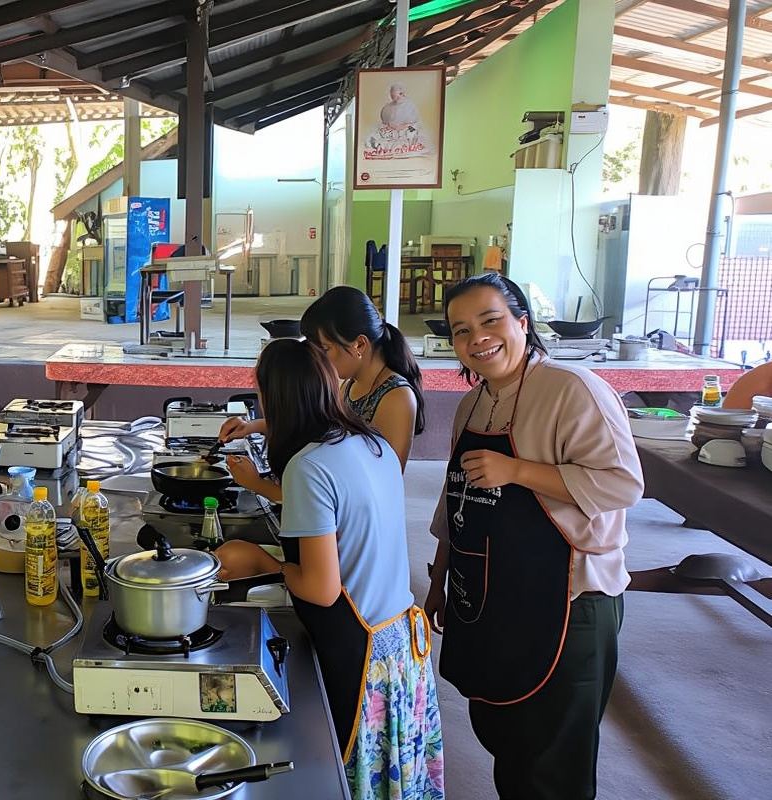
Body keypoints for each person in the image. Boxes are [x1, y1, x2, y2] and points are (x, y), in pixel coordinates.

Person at [424, 273, 641, 800]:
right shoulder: (475, 404)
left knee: (554, 760)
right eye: (460, 330)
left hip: (570, 600)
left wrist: (518, 471)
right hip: (494, 593)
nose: (477, 338)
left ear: (522, 322)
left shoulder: (573, 389)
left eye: (490, 320)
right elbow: (458, 496)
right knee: (504, 730)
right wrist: (440, 579)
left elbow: (623, 484)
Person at [217, 338, 443, 800]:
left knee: (347, 781)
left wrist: (261, 562)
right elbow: (331, 512)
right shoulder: (368, 442)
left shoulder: (309, 465)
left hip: (361, 655)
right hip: (400, 648)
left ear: (273, 397)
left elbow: (321, 589)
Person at [220, 287, 424, 502]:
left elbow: (382, 484)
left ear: (360, 344)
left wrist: (257, 484)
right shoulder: (350, 384)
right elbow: (323, 428)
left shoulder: (397, 397)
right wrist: (252, 426)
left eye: (325, 349)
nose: (319, 359)